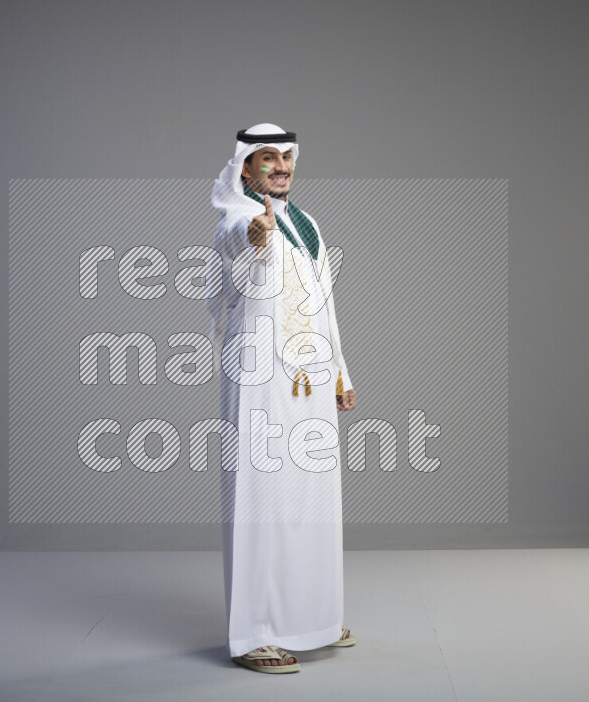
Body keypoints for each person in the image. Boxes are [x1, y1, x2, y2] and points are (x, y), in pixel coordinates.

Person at [206, 123, 357, 673]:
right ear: (245, 168)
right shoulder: (240, 218)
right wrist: (256, 236)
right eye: (266, 159)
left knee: (311, 498)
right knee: (260, 500)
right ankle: (254, 635)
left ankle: (311, 616)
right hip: (259, 378)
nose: (280, 167)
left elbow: (324, 303)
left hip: (311, 377)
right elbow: (234, 245)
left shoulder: (308, 223)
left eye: (286, 157)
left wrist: (341, 372)